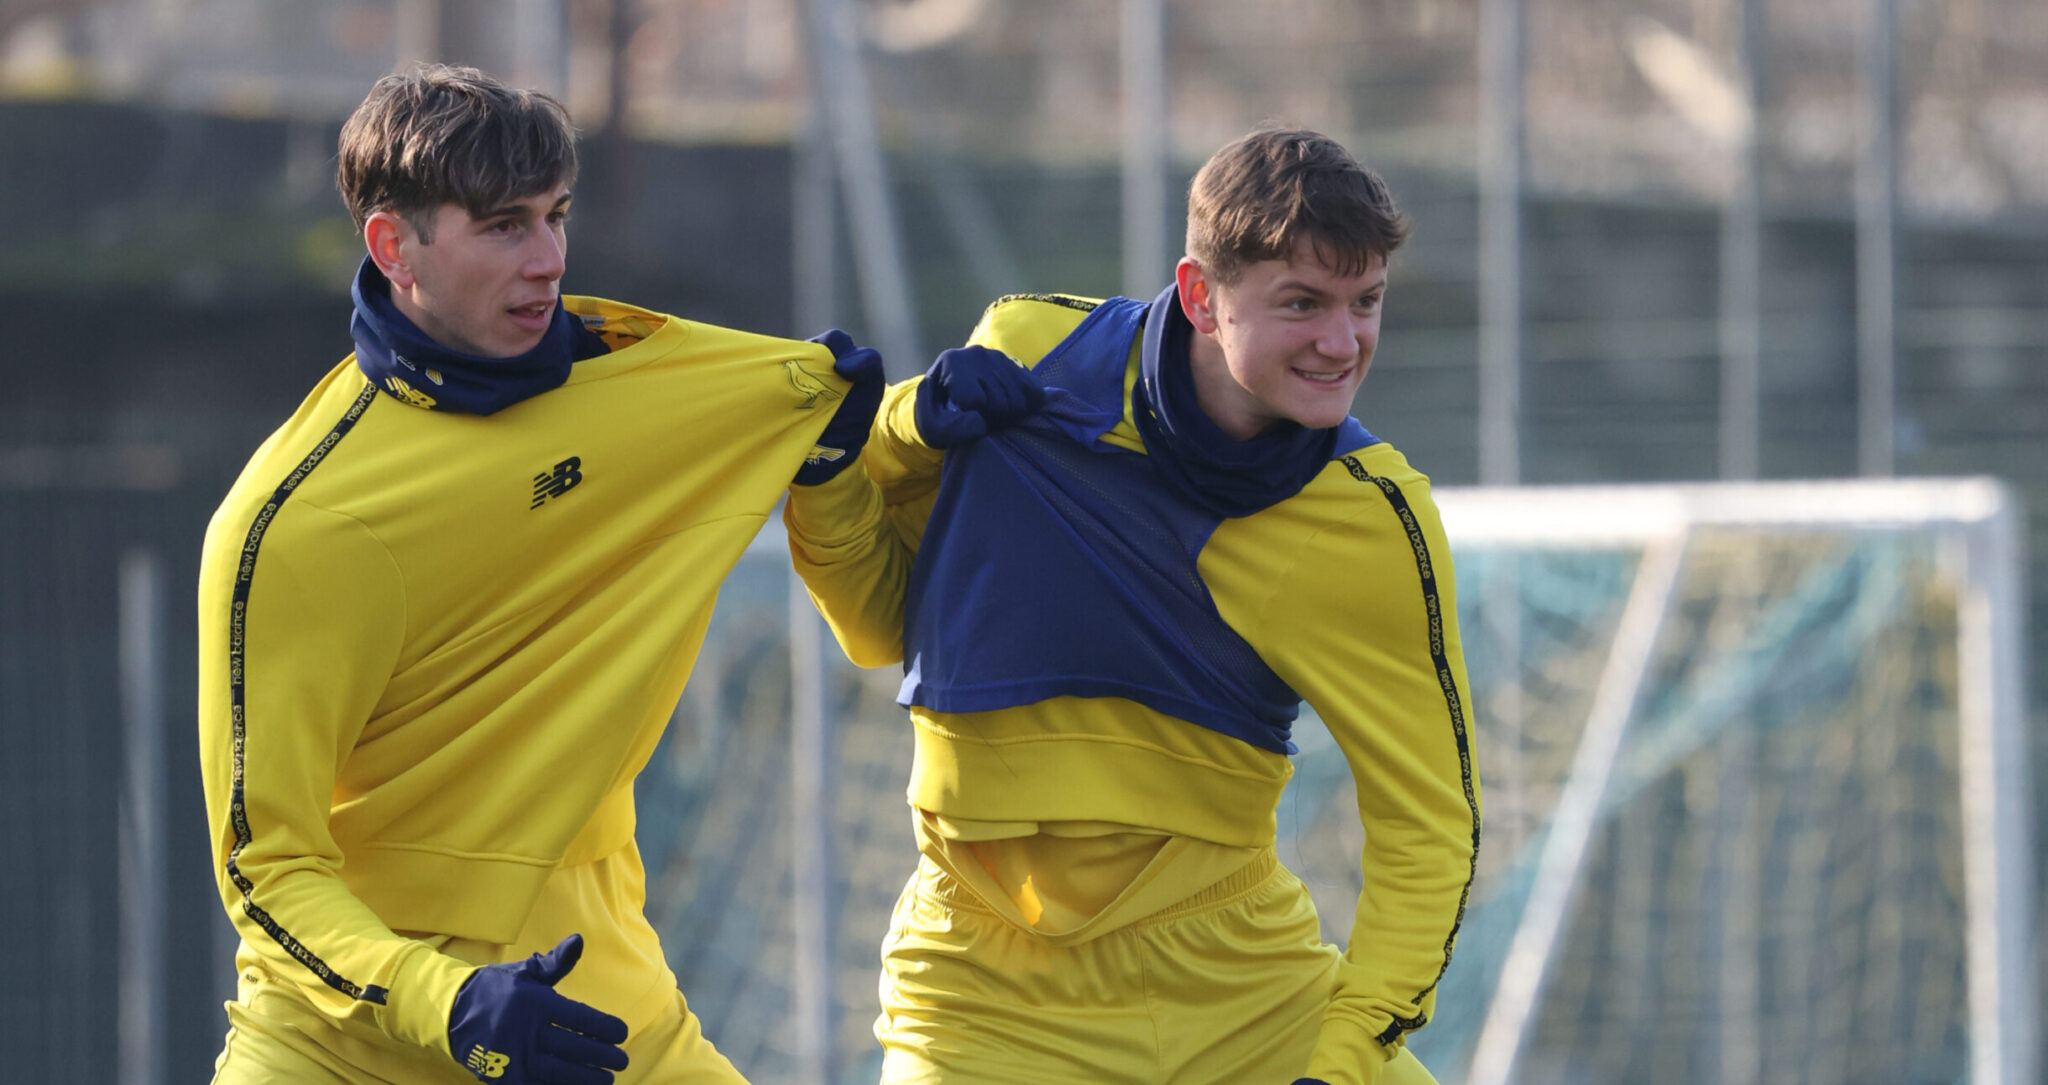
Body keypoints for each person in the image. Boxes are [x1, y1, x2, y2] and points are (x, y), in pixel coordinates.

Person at [197, 63, 885, 1085]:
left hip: (604, 1024)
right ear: (395, 246)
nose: (549, 260)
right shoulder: (294, 522)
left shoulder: (643, 377)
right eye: (503, 226)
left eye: (556, 216)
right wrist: (447, 998)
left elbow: (864, 567)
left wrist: (890, 437)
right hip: (352, 1054)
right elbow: (265, 871)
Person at [786, 127, 1481, 1085]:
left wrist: (1346, 1058)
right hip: (982, 992)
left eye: (1366, 303)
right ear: (1201, 295)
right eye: (1302, 304)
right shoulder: (1031, 354)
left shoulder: (1373, 520)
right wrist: (892, 430)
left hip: (1241, 990)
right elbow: (876, 621)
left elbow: (1429, 828)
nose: (1342, 340)